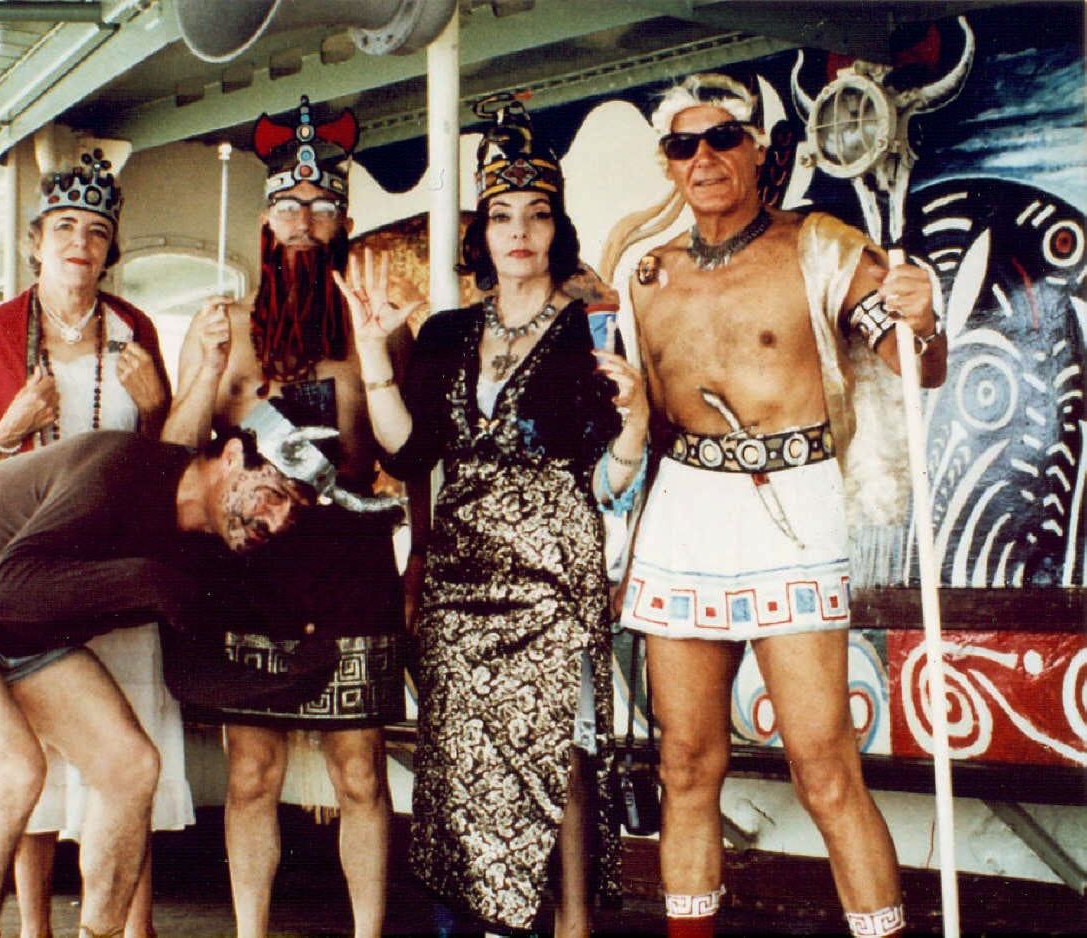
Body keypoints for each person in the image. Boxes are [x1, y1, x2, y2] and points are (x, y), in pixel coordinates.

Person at [605, 73, 947, 938]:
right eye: (683, 144)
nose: (704, 157)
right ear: (666, 163)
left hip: (791, 506)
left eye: (723, 137)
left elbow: (915, 368)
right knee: (685, 764)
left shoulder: (820, 248)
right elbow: (631, 417)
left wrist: (922, 319)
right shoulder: (645, 271)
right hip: (683, 508)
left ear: (759, 149)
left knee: (823, 766)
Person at [335, 93, 648, 936]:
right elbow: (409, 453)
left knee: (559, 748)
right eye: (502, 215)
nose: (519, 231)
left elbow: (612, 478)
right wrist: (374, 358)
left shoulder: (592, 330)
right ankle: (472, 923)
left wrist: (637, 422)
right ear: (482, 232)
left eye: (536, 214)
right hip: (459, 573)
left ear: (557, 228)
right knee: (459, 754)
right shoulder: (444, 333)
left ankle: (571, 923)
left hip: (550, 571)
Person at [0, 404, 327, 938]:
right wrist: (148, 581)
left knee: (131, 766)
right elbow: (6, 589)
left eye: (292, 514)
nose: (275, 522)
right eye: (273, 495)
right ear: (231, 456)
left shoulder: (205, 547)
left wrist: (291, 679)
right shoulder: (120, 467)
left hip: (22, 629)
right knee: (12, 772)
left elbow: (191, 675)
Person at [161, 95, 414, 938]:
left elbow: (411, 454)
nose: (304, 222)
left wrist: (417, 559)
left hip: (351, 569)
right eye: (289, 207)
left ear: (344, 224)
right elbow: (172, 455)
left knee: (360, 775)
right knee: (250, 776)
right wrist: (203, 372)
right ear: (265, 223)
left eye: (321, 207)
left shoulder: (378, 327)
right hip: (250, 573)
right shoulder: (224, 327)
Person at [0, 143, 194, 938]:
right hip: (26, 571)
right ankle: (36, 927)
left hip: (114, 574)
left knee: (129, 756)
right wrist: (6, 432)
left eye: (97, 231)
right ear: (35, 241)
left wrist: (156, 406)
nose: (81, 242)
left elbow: (167, 466)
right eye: (65, 227)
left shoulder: (135, 329)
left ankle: (130, 928)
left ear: (112, 249)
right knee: (33, 762)